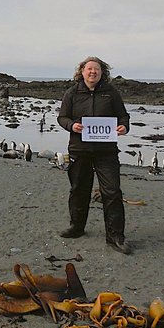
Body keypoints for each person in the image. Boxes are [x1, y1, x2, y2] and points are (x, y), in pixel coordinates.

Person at [57, 56, 131, 254]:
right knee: (79, 189)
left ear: (102, 72)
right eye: (89, 69)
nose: (93, 72)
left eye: (96, 69)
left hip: (106, 151)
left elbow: (123, 116)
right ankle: (76, 227)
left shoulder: (111, 92)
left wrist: (124, 127)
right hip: (79, 150)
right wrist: (72, 125)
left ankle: (115, 236)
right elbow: (62, 118)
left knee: (112, 192)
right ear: (82, 71)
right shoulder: (72, 93)